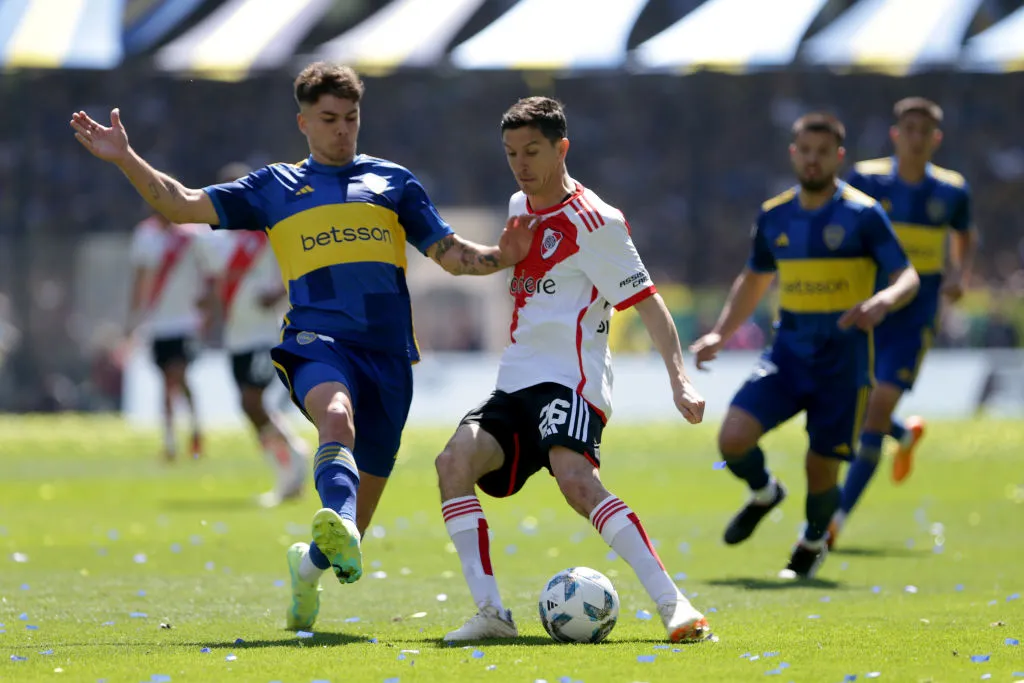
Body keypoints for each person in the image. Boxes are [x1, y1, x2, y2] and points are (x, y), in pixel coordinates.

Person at [71, 61, 535, 631]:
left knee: (350, 540)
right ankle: (333, 514)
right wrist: (125, 158)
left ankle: (308, 565)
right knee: (335, 415)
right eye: (329, 119)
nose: (343, 129)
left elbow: (450, 254)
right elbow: (180, 203)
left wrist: (500, 257)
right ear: (304, 123)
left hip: (389, 357)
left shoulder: (393, 183)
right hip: (317, 342)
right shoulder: (274, 188)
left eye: (351, 118)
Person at [435, 97, 711, 644]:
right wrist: (500, 253)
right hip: (513, 383)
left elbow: (650, 304)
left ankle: (673, 604)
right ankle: (491, 613)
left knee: (576, 483)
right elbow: (515, 262)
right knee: (452, 461)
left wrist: (679, 378)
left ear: (562, 148)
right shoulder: (519, 202)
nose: (521, 165)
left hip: (570, 381)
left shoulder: (597, 222)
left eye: (532, 151)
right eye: (512, 153)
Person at [689, 113, 919, 579]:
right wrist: (720, 332)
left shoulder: (863, 214)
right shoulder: (775, 214)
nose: (812, 160)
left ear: (838, 156)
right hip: (787, 355)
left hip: (844, 363)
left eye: (822, 152)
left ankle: (814, 538)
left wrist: (883, 301)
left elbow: (907, 275)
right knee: (732, 439)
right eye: (804, 151)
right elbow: (754, 278)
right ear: (793, 154)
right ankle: (763, 491)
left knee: (821, 471)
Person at [832, 97, 977, 546]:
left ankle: (834, 522)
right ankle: (902, 434)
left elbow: (964, 235)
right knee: (852, 403)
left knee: (874, 408)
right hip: (870, 302)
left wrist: (958, 273)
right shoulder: (866, 178)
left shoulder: (952, 190)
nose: (916, 138)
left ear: (936, 139)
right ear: (896, 134)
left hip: (916, 314)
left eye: (924, 131)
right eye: (908, 129)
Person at [199, 162, 310, 508]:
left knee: (253, 401)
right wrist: (207, 314)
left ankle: (295, 455)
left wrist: (277, 294)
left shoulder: (267, 234)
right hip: (236, 337)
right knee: (248, 407)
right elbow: (218, 287)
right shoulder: (215, 241)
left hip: (266, 335)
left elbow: (295, 270)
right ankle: (286, 470)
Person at [127, 211, 210, 461]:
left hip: (186, 322)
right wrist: (133, 317)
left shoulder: (194, 235)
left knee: (177, 374)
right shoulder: (145, 234)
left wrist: (206, 309)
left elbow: (208, 271)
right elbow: (140, 277)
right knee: (167, 382)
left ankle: (194, 431)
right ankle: (170, 440)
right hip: (158, 322)